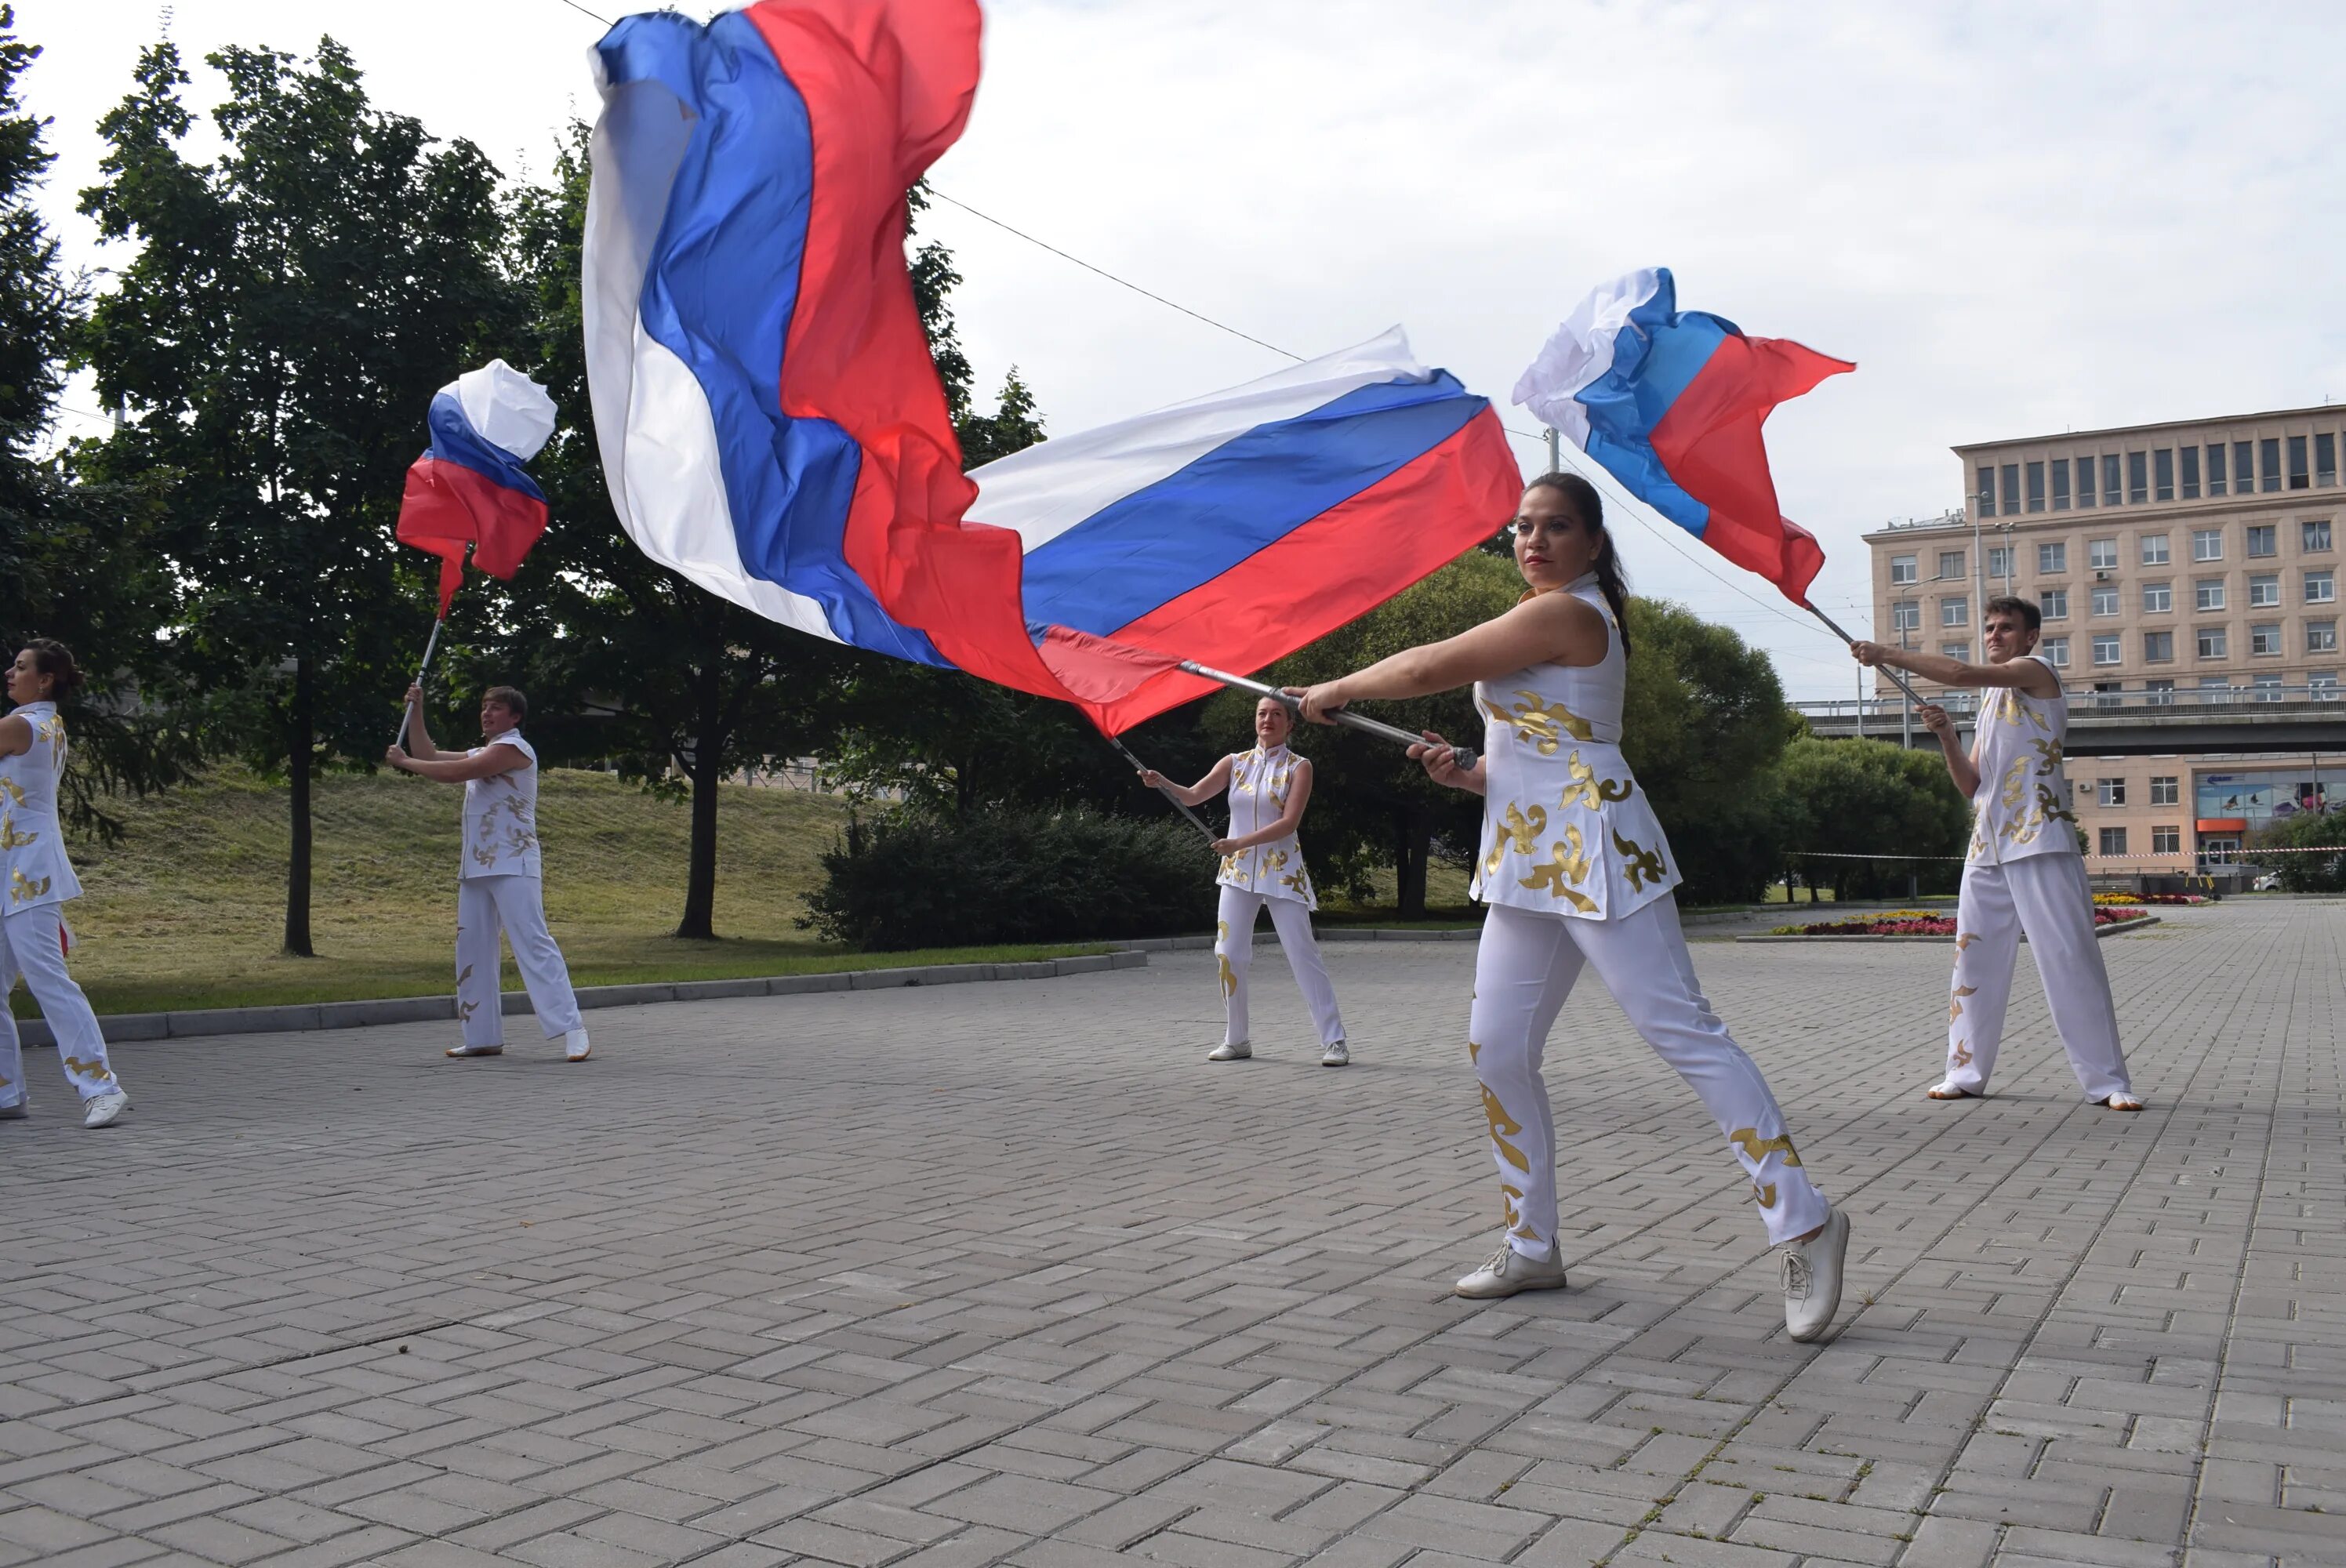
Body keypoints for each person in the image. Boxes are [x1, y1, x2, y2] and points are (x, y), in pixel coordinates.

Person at [1291, 473, 1849, 1341]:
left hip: (1597, 848)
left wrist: (1338, 686)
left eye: (1555, 527)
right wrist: (1469, 771)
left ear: (1592, 543)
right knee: (1498, 1049)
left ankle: (1805, 1220)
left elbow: (1430, 663)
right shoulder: (1548, 610)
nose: (1533, 541)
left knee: (1681, 1031)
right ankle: (1531, 1242)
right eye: (1521, 527)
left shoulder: (1572, 610)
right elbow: (1532, 744)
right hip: (1523, 857)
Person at [1851, 600, 2141, 1112]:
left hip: (2041, 842)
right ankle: (1964, 1072)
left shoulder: (2035, 674)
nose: (1995, 634)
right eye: (1989, 628)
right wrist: (1945, 736)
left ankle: (2107, 1083)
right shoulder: (1991, 700)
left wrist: (1887, 654)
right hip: (1987, 849)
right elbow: (1972, 785)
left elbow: (1959, 671)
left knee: (2070, 960)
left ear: (2030, 638)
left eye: (2007, 628)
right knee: (1973, 965)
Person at [1140, 697, 1349, 1066]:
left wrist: (1238, 843)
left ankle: (1334, 1041)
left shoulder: (1299, 767)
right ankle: (1236, 1039)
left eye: (1277, 714)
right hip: (1238, 875)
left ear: (1290, 725)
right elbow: (1193, 795)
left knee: (1302, 954)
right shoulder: (1235, 763)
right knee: (1229, 953)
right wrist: (1162, 783)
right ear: (1255, 720)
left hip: (1282, 872)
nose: (1268, 719)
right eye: (1262, 714)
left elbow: (1288, 823)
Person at [387, 684, 590, 1062]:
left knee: (532, 943)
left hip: (515, 862)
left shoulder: (515, 749)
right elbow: (429, 753)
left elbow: (457, 772)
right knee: (473, 948)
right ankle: (481, 1035)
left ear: (514, 717)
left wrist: (405, 764)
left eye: (496, 708)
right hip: (477, 865)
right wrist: (417, 710)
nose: (487, 713)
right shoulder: (484, 749)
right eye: (484, 707)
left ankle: (571, 1027)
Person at [0, 641, 131, 1128]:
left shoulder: (23, 725)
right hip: (10, 869)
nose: (10, 674)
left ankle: (101, 1086)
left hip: (29, 875)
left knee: (48, 981)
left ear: (46, 678)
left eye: (20, 667)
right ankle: (7, 1091)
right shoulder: (47, 724)